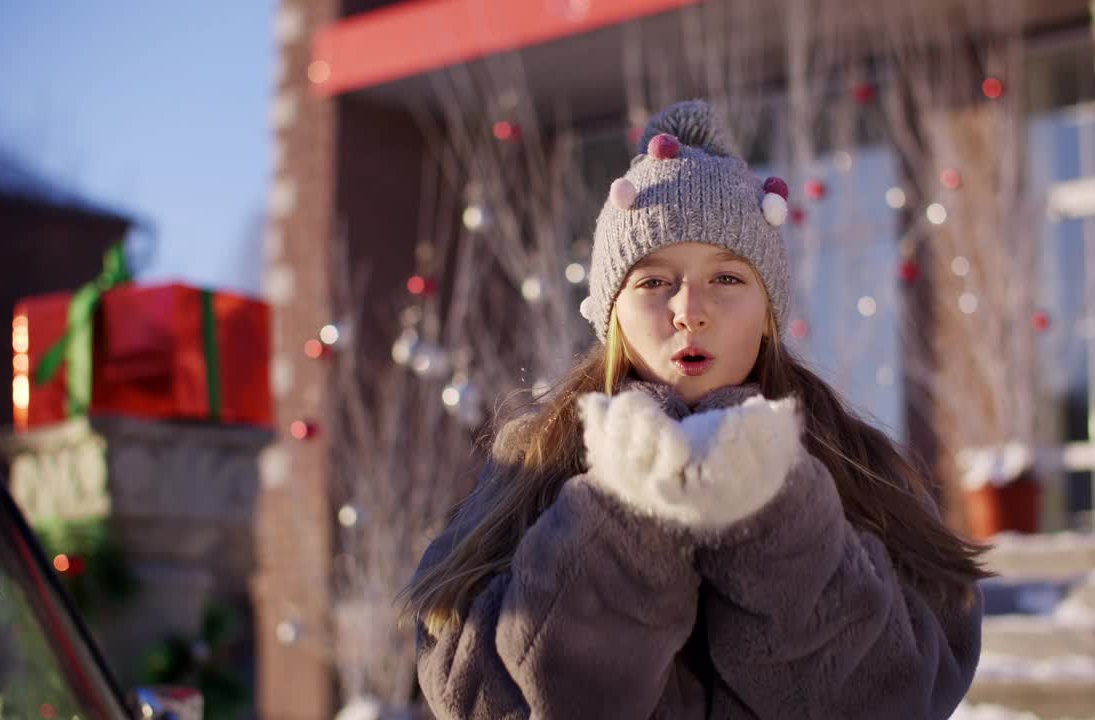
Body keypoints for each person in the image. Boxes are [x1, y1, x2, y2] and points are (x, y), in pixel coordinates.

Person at [402, 99, 990, 719]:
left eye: (727, 279)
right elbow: (469, 686)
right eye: (653, 281)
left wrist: (773, 509)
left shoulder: (856, 464)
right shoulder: (532, 461)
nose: (689, 310)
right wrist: (621, 515)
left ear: (768, 312)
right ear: (613, 316)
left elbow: (909, 686)